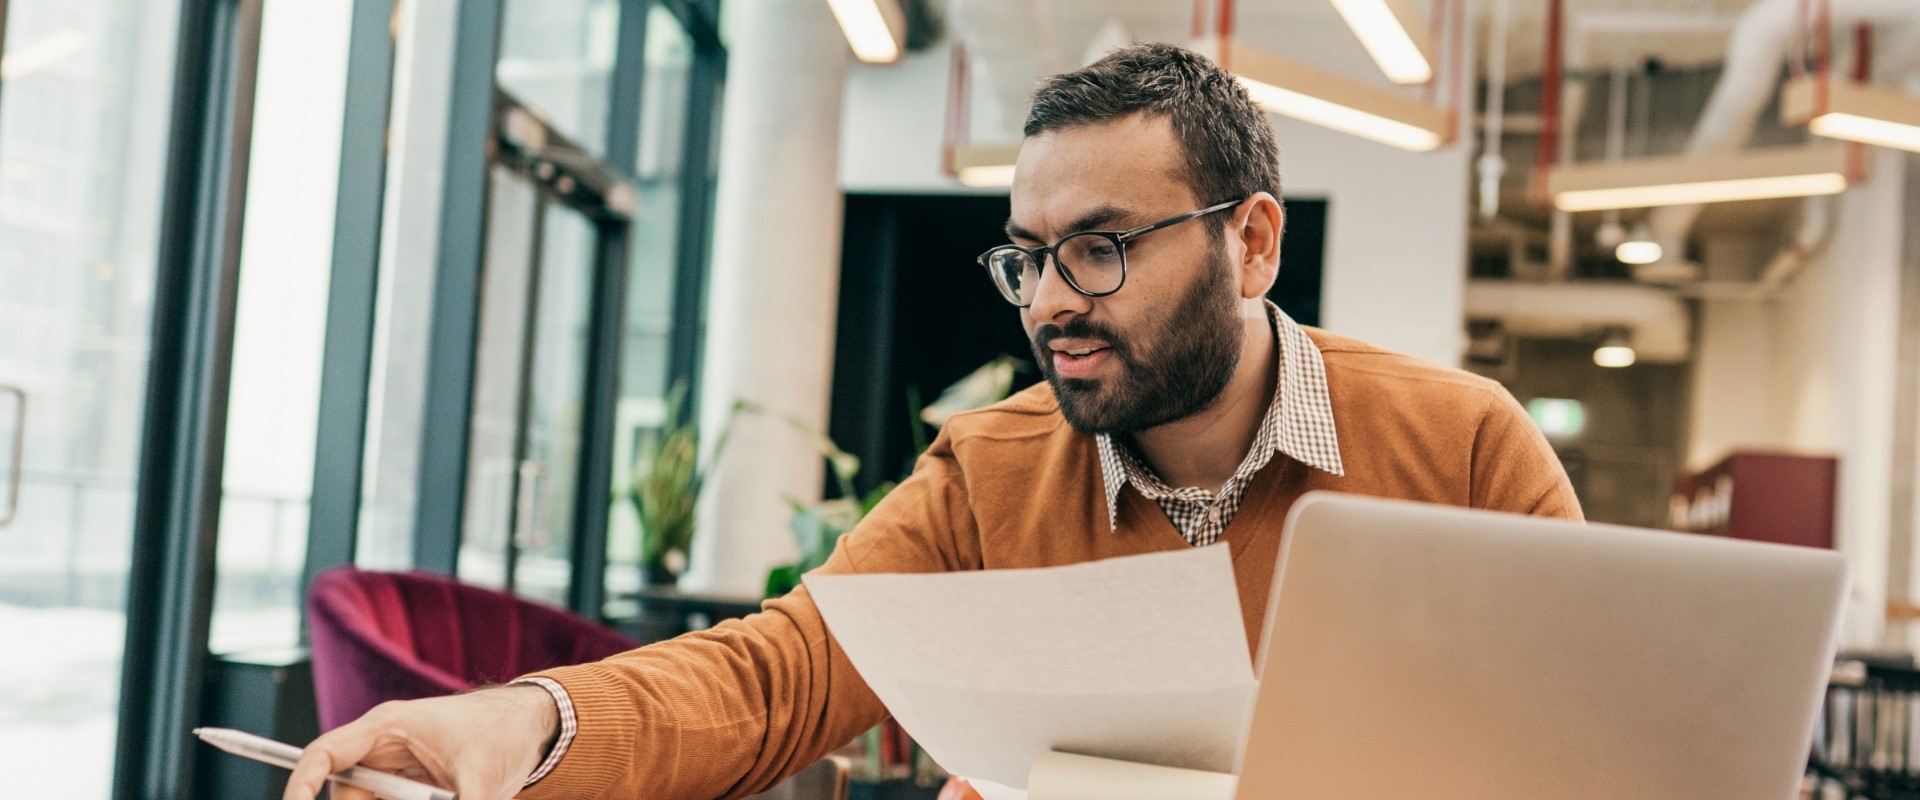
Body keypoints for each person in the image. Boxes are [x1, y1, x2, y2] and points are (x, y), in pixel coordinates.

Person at [286, 42, 1579, 800]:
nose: (1054, 304)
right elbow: (778, 673)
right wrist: (521, 721)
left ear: (1250, 243)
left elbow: (1584, 748)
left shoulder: (1461, 448)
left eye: (1105, 249)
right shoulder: (992, 472)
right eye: (1030, 256)